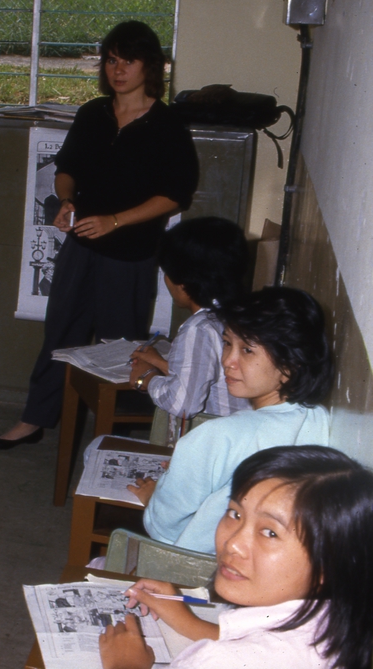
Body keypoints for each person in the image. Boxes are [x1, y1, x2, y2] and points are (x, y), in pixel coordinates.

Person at [0, 21, 199, 450]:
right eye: (111, 60)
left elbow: (174, 196)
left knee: (120, 344)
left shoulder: (166, 125)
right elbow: (67, 171)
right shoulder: (92, 113)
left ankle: (116, 434)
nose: (118, 70)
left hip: (130, 253)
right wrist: (67, 201)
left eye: (129, 60)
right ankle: (34, 419)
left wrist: (115, 221)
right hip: (80, 246)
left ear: (150, 66)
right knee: (59, 333)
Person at [100, 445, 373, 669]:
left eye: (270, 533)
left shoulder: (218, 662)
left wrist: (125, 665)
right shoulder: (338, 616)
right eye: (235, 514)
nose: (232, 543)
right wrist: (189, 622)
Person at [132, 287, 331, 553]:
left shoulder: (218, 435)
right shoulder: (317, 418)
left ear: (290, 363)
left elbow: (163, 528)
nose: (228, 361)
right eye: (227, 343)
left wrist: (152, 497)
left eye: (247, 350)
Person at [129, 217, 251, 443]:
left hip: (216, 445)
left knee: (96, 446)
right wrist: (160, 363)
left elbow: (183, 404)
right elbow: (213, 375)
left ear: (184, 284)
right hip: (245, 437)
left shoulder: (199, 328)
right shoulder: (243, 313)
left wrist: (145, 378)